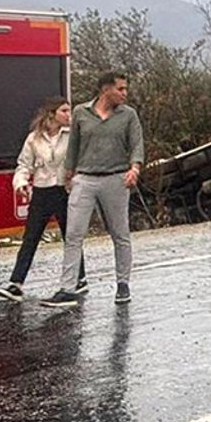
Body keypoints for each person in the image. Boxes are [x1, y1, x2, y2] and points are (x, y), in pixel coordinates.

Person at [42, 72, 145, 308]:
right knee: (74, 234)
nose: (124, 94)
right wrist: (68, 174)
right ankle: (67, 288)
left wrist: (134, 169)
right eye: (120, 89)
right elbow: (74, 146)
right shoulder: (81, 112)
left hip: (115, 178)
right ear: (105, 90)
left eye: (125, 89)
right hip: (85, 179)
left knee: (120, 233)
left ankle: (122, 284)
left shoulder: (128, 115)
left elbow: (137, 144)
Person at [0, 97, 85, 301]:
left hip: (65, 191)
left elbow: (82, 162)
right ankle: (16, 283)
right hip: (42, 191)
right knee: (30, 238)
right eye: (64, 111)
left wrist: (77, 182)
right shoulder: (34, 139)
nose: (68, 116)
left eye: (69, 111)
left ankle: (79, 278)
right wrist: (21, 183)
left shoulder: (73, 136)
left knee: (70, 237)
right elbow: (24, 165)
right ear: (52, 114)